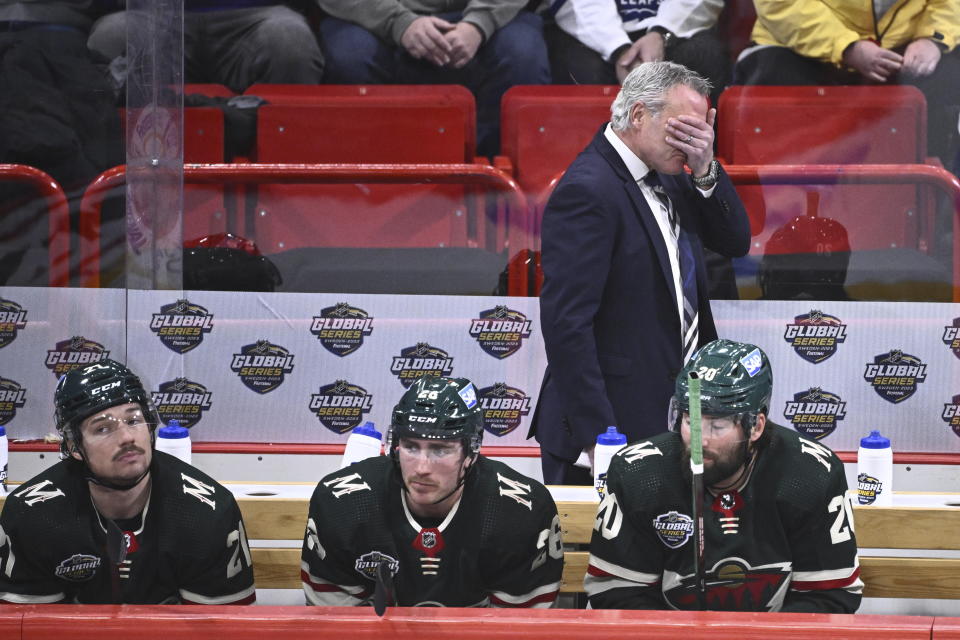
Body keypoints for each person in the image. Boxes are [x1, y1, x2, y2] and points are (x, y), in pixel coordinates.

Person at [531, 61, 751, 485]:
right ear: (637, 115)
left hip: (670, 419)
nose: (692, 141)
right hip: (609, 429)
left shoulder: (668, 173)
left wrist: (705, 167)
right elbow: (566, 325)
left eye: (701, 130)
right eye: (683, 129)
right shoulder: (587, 190)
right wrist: (601, 438)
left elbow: (735, 241)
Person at [585, 338, 863, 612]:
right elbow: (617, 594)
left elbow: (830, 598)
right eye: (689, 421)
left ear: (756, 426)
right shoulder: (639, 473)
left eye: (717, 425)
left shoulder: (811, 474)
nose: (699, 440)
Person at [0, 360, 255, 604]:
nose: (126, 437)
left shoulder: (206, 512)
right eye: (102, 428)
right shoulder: (31, 515)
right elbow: (26, 628)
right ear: (74, 447)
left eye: (134, 420)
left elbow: (223, 631)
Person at [301, 375, 563, 608]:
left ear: (471, 452)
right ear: (395, 445)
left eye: (440, 449)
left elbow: (518, 633)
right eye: (411, 446)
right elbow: (335, 628)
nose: (422, 468)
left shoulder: (521, 510)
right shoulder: (341, 504)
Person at [733, 0, 960, 172]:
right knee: (775, 82)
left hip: (901, 51)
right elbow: (781, 5)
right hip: (795, 46)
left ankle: (937, 222)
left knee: (949, 81)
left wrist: (934, 39)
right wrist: (845, 46)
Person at [314, 0, 550, 158]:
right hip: (377, 15)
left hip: (484, 16)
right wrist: (400, 23)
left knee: (522, 53)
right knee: (349, 57)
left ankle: (502, 200)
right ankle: (365, 194)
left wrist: (478, 23)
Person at [87, 1, 325, 95]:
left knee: (289, 41)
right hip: (156, 11)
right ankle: (108, 171)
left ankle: (287, 171)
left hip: (255, 12)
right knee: (112, 36)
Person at [544, 0, 730, 105]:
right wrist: (619, 49)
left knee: (705, 55)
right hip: (596, 33)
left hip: (673, 29)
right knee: (580, 67)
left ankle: (695, 163)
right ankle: (593, 164)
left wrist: (661, 33)